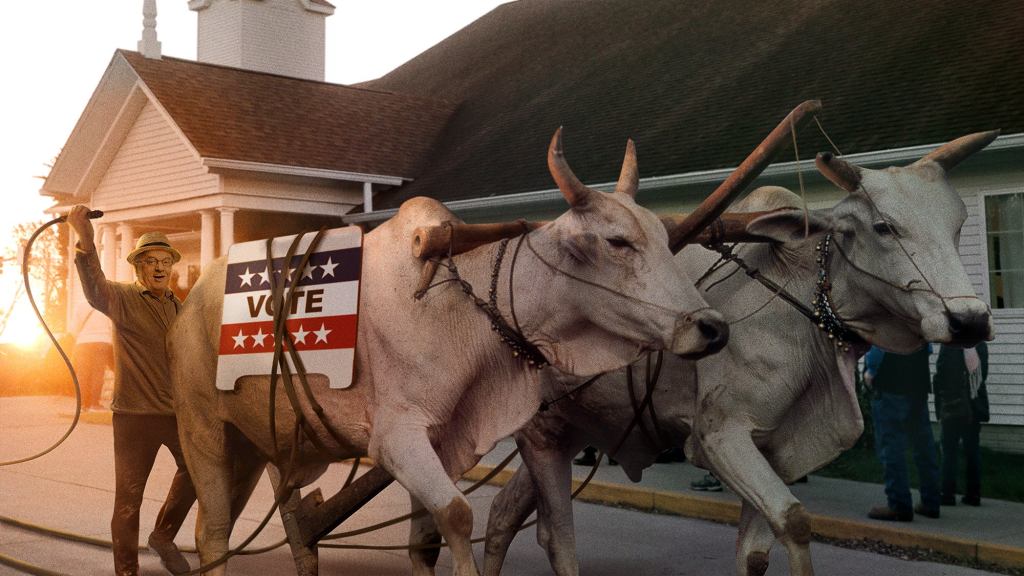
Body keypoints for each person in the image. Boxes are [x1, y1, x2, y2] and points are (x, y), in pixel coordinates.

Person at [68, 205, 196, 576]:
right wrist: (86, 241)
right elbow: (94, 288)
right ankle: (127, 571)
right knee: (128, 500)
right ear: (138, 267)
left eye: (164, 261)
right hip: (134, 418)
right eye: (150, 261)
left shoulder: (179, 307)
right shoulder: (121, 299)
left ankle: (163, 535)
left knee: (198, 472)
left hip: (175, 414)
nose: (159, 268)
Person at [865, 344, 942, 521]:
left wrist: (871, 371)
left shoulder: (890, 314)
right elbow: (928, 348)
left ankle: (899, 504)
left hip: (892, 380)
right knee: (923, 445)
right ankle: (931, 502)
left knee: (891, 445)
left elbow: (880, 344)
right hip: (918, 381)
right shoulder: (920, 315)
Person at [933, 342, 989, 506]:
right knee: (972, 450)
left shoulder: (949, 344)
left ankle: (947, 494)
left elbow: (942, 371)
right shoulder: (980, 344)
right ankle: (973, 495)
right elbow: (981, 374)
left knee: (949, 450)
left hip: (953, 404)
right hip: (973, 405)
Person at [70, 308, 113, 412]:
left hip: (83, 343)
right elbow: (112, 327)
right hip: (102, 341)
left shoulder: (80, 306)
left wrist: (81, 337)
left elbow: (73, 329)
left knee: (83, 374)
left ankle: (82, 405)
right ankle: (94, 405)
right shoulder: (106, 306)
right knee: (98, 373)